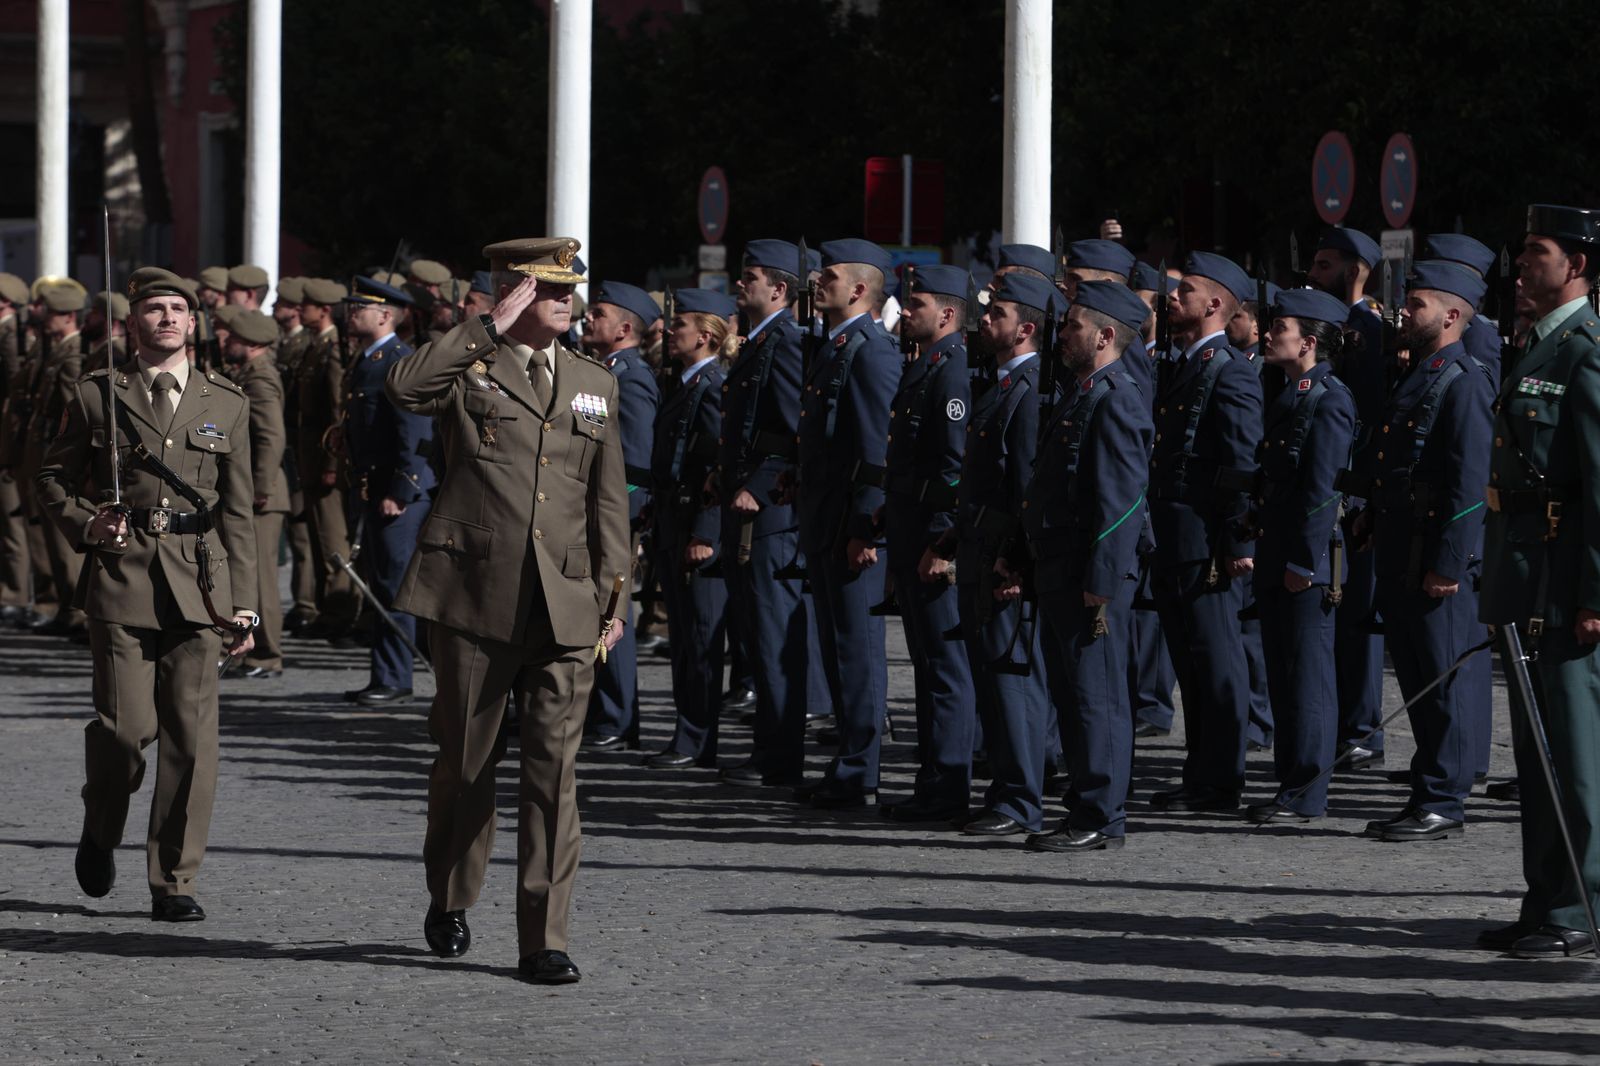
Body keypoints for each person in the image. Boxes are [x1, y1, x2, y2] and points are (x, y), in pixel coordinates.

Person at [386, 236, 628, 984]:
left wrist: (615, 598)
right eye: (550, 288)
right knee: (467, 761)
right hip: (473, 596)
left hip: (566, 603)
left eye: (571, 289)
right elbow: (404, 388)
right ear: (512, 292)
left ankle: (542, 938)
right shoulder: (469, 364)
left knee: (554, 775)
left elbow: (606, 497)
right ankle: (452, 893)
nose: (569, 300)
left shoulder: (593, 380)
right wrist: (485, 325)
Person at [38, 267, 257, 920]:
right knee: (124, 733)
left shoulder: (228, 402)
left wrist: (245, 605)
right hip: (123, 576)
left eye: (176, 309)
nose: (165, 318)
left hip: (202, 584)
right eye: (153, 309)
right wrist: (87, 523)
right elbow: (50, 477)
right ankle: (101, 825)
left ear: (195, 323)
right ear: (132, 322)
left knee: (192, 741)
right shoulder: (96, 393)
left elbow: (239, 513)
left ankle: (174, 881)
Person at [1478, 203, 1600, 958]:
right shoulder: (1538, 345)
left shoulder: (1584, 352)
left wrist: (1595, 596)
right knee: (1537, 752)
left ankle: (1579, 908)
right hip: (1528, 575)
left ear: (1580, 265)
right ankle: (1544, 897)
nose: (1522, 264)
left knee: (1577, 753)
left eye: (1537, 252)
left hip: (1564, 583)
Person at [1351, 260, 1494, 842]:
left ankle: (1445, 800)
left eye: (1417, 305)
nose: (1404, 312)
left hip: (1435, 559)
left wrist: (1450, 562)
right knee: (1417, 679)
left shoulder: (1462, 380)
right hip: (1402, 549)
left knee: (1445, 680)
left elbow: (1468, 483)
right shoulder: (1422, 374)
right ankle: (1428, 788)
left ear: (1452, 315)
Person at [1021, 280, 1153, 852]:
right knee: (1075, 696)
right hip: (1061, 567)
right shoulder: (1083, 392)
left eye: (1074, 324)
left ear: (1104, 336)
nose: (1063, 333)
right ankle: (1086, 805)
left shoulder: (1115, 396)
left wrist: (1101, 580)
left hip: (1088, 575)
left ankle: (1101, 814)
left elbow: (1121, 500)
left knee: (1096, 695)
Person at [924, 273, 1054, 835]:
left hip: (1002, 559)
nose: (984, 323)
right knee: (991, 682)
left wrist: (1017, 560)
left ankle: (1021, 799)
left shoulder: (1026, 394)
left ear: (1025, 329)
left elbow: (1026, 489)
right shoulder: (1001, 387)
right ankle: (1005, 789)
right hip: (979, 550)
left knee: (1012, 682)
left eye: (997, 314)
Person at [1146, 252, 1263, 812]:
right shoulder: (1187, 363)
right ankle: (1202, 774)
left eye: (1185, 290)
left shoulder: (1230, 369)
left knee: (1216, 663)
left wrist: (1240, 543)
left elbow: (1242, 463)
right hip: (1177, 535)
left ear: (1214, 304)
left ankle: (1221, 780)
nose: (1174, 297)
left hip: (1209, 544)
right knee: (1191, 661)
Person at [1241, 289, 1357, 824]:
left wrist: (1304, 565)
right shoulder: (1290, 395)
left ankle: (1307, 791)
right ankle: (1291, 785)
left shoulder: (1328, 399)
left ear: (1308, 342)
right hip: (1278, 553)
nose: (1268, 333)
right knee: (1286, 674)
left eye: (1279, 326)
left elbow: (1323, 493)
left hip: (1304, 563)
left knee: (1308, 678)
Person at [792, 239, 900, 809]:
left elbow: (875, 451)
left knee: (858, 648)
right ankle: (849, 760)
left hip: (849, 528)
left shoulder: (869, 351)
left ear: (859, 289)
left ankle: (862, 770)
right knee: (838, 646)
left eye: (829, 275)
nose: (817, 281)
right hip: (826, 521)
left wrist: (866, 527)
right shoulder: (834, 347)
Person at [879, 264, 974, 822]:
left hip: (933, 542)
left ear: (946, 313)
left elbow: (954, 470)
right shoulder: (925, 367)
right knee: (927, 665)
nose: (905, 310)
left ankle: (949, 786)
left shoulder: (952, 370)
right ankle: (932, 780)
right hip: (911, 534)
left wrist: (943, 543)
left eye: (915, 304)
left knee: (945, 668)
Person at [718, 240, 812, 788]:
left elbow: (788, 427)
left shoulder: (785, 343)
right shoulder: (760, 342)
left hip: (770, 513)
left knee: (774, 637)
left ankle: (781, 757)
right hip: (743, 504)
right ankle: (767, 749)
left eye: (749, 277)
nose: (739, 284)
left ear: (777, 289)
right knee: (755, 635)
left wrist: (757, 484)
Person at [1307, 227, 1390, 773]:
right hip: (1338, 479)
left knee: (1357, 613)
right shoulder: (1339, 325)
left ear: (1355, 269)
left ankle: (1361, 729)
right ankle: (1346, 725)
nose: (1313, 274)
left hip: (1358, 484)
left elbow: (1375, 412)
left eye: (1324, 264)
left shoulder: (1367, 329)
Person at [646, 289, 732, 769]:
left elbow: (717, 468)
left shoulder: (712, 386)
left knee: (701, 639)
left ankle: (697, 737)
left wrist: (706, 532)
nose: (668, 332)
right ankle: (687, 731)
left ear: (704, 336)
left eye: (678, 326)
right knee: (683, 637)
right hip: (672, 521)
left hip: (697, 529)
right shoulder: (682, 384)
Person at [341, 276, 435, 706]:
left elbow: (414, 432)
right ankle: (385, 673)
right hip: (373, 486)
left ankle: (396, 676)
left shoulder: (399, 360)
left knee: (395, 585)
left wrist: (402, 488)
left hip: (398, 494)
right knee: (381, 584)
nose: (351, 313)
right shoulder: (368, 359)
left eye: (360, 307)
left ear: (384, 316)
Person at [579, 280, 661, 751]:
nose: (588, 318)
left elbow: (636, 464)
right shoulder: (605, 370)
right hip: (595, 511)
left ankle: (617, 716)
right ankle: (601, 711)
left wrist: (618, 517)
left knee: (612, 613)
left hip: (614, 517)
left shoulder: (630, 378)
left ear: (625, 328)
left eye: (600, 314)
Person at [222, 309, 290, 679]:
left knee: (261, 578)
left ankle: (267, 654)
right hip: (254, 487)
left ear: (249, 343)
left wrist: (260, 487)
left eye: (231, 337)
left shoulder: (261, 377)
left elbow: (271, 435)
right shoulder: (249, 373)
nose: (225, 342)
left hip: (262, 492)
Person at [23, 282, 89, 637]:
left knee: (65, 543)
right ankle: (66, 609)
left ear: (66, 316)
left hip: (58, 456)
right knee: (47, 536)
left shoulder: (73, 353)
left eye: (49, 312)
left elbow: (70, 414)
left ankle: (77, 612)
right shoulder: (55, 350)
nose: (42, 317)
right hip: (40, 451)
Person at [294, 278, 358, 640]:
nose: (300, 309)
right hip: (311, 458)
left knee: (334, 540)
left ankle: (341, 610)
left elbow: (337, 411)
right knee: (319, 539)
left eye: (307, 304)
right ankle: (326, 608)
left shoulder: (333, 348)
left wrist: (334, 464)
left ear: (324, 310)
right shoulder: (315, 346)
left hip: (325, 460)